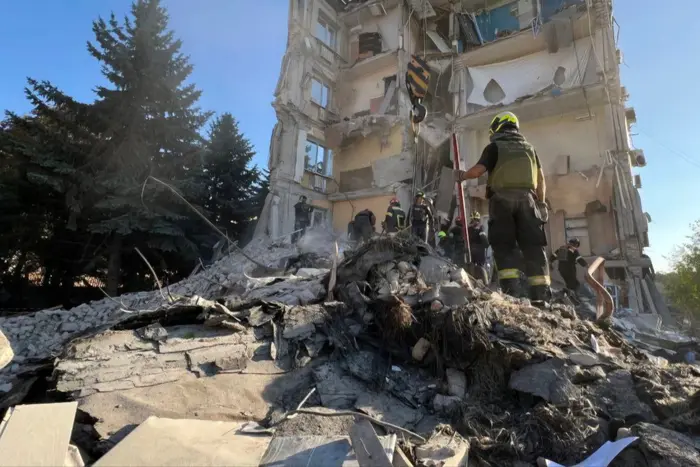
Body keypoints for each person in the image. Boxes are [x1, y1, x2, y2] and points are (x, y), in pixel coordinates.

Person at [453, 111, 551, 305]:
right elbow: (541, 179)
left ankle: (511, 294)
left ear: (497, 127)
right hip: (528, 200)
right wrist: (541, 202)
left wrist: (462, 175)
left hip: (502, 201)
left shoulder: (494, 147)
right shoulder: (530, 149)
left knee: (505, 247)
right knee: (533, 248)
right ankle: (541, 296)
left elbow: (478, 170)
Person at [468, 211, 490, 283]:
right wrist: (486, 244)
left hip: (471, 249)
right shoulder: (480, 227)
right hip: (479, 250)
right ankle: (485, 283)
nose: (474, 222)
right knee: (480, 266)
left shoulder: (468, 229)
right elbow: (483, 238)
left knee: (472, 266)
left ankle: (472, 282)